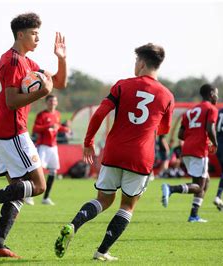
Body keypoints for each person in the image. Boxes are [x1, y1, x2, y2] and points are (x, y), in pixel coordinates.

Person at [54, 43, 174, 261]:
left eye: (136, 61)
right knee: (127, 205)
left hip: (114, 152)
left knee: (103, 199)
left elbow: (100, 114)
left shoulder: (122, 86)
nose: (134, 65)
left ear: (142, 63)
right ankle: (101, 251)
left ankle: (73, 225)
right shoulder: (167, 95)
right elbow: (164, 129)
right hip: (140, 157)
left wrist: (88, 141)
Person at [0, 12, 67, 258]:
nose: (38, 38)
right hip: (12, 132)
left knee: (19, 191)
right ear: (20, 34)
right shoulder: (12, 61)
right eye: (34, 33)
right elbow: (11, 102)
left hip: (5, 132)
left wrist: (61, 59)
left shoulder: (27, 62)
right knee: (39, 186)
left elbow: (59, 83)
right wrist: (41, 93)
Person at [161, 84, 219, 222]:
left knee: (206, 182)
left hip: (186, 149)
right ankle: (171, 188)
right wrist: (215, 144)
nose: (217, 96)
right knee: (199, 186)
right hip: (199, 150)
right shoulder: (211, 108)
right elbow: (210, 128)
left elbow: (181, 134)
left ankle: (194, 215)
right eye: (216, 93)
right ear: (211, 94)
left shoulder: (190, 111)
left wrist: (193, 136)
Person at [24, 94, 70, 206]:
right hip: (42, 146)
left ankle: (46, 197)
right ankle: (29, 196)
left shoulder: (57, 114)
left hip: (53, 147)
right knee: (36, 170)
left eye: (54, 101)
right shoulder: (42, 114)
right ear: (46, 103)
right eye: (50, 101)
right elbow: (35, 128)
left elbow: (57, 127)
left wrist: (64, 129)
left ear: (57, 103)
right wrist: (48, 126)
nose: (52, 103)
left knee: (53, 171)